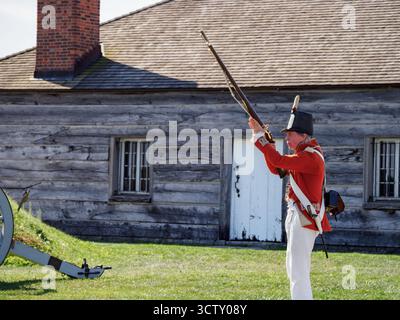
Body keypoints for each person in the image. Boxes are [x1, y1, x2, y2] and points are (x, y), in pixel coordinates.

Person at [248, 109, 331, 300]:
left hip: (304, 218)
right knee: (293, 268)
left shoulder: (310, 156)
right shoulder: (303, 155)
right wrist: (264, 141)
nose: (286, 138)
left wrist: (261, 138)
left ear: (303, 135)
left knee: (298, 271)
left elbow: (278, 160)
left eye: (290, 134)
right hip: (297, 216)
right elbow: (277, 168)